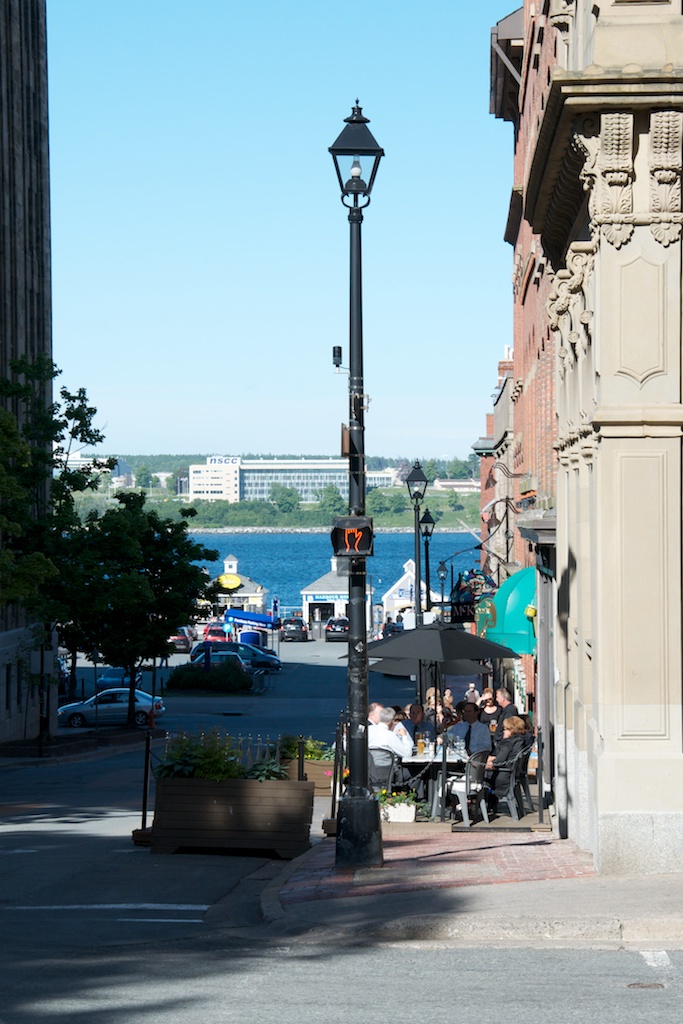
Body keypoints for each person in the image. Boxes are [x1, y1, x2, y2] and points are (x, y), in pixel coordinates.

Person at [485, 715, 528, 812]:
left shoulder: (508, 743)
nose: (503, 731)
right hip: (512, 773)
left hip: (503, 776)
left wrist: (485, 762)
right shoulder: (520, 741)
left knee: (478, 776)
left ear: (512, 730)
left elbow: (498, 762)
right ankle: (491, 804)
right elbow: (507, 757)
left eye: (505, 729)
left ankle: (480, 807)